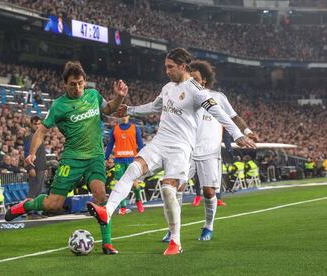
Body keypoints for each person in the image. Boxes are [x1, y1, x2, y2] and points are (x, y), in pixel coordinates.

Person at [87, 48, 256, 255]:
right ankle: (107, 211)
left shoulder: (196, 90)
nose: (166, 71)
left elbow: (218, 112)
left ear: (183, 67)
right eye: (165, 67)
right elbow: (154, 106)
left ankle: (175, 241)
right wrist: (130, 110)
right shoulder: (168, 87)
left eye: (170, 67)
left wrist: (238, 135)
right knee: (132, 170)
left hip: (181, 147)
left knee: (168, 190)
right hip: (160, 141)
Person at [5, 61, 128, 254]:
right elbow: (41, 131)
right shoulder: (59, 106)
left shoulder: (93, 95)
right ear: (65, 84)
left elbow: (109, 109)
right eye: (73, 84)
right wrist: (31, 153)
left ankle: (107, 243)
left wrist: (119, 97)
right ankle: (26, 205)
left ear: (85, 82)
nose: (77, 87)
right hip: (72, 159)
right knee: (54, 205)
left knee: (101, 196)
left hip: (95, 157)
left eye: (80, 83)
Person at [163, 60, 258, 242]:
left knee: (208, 191)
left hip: (210, 151)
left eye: (197, 79)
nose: (194, 82)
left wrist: (247, 132)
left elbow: (234, 117)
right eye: (191, 78)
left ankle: (208, 226)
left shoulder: (218, 97)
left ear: (204, 80)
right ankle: (173, 230)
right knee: (175, 188)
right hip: (188, 149)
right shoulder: (184, 95)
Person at [105, 115, 145, 215]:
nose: (123, 117)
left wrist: (145, 156)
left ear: (128, 116)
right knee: (120, 184)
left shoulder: (135, 128)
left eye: (125, 115)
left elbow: (140, 144)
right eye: (121, 115)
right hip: (119, 160)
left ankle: (138, 200)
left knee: (135, 184)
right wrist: (105, 158)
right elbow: (110, 145)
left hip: (132, 160)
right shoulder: (114, 129)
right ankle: (123, 207)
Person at [24, 116, 47, 200]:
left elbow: (41, 153)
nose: (37, 126)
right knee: (33, 191)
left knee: (38, 191)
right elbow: (26, 153)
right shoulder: (29, 136)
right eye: (35, 124)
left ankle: (35, 210)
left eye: (39, 124)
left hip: (41, 166)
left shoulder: (40, 135)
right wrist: (30, 168)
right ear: (31, 124)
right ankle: (30, 210)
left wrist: (45, 167)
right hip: (34, 167)